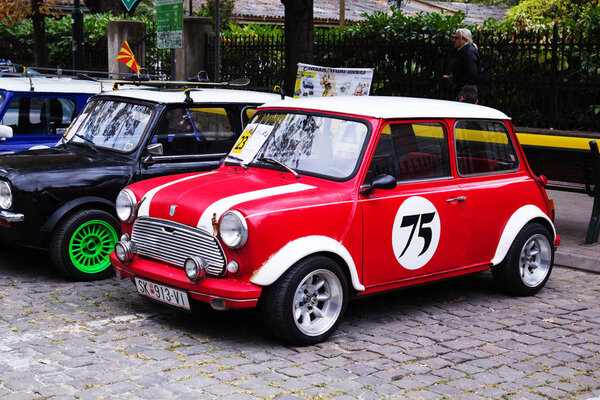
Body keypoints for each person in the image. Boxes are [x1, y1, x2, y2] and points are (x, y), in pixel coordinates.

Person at [445, 28, 481, 102]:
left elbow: (471, 74)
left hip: (465, 93)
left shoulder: (469, 52)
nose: (453, 40)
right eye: (453, 37)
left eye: (456, 38)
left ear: (464, 40)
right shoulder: (464, 51)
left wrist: (456, 80)